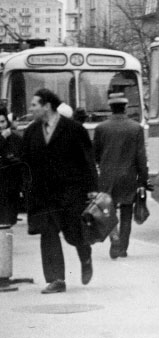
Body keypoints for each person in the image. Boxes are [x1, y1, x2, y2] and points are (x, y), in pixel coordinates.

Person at [20, 88, 98, 294]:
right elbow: (24, 163)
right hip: (43, 196)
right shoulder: (31, 132)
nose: (31, 108)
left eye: (34, 105)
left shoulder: (74, 129)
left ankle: (85, 256)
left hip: (71, 193)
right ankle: (56, 279)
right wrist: (25, 189)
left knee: (75, 234)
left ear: (47, 106)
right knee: (48, 234)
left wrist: (92, 190)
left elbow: (88, 163)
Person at [93, 92, 148, 259]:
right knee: (126, 212)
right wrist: (143, 180)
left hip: (107, 177)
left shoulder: (101, 128)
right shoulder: (136, 128)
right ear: (125, 107)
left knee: (108, 210)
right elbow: (141, 157)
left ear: (110, 107)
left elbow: (95, 155)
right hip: (128, 177)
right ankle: (123, 248)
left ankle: (114, 238)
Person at [0, 107, 24, 227]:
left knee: (8, 222)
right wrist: (2, 138)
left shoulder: (16, 138)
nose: (0, 126)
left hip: (11, 183)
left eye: (2, 122)